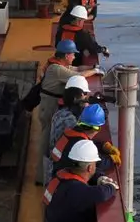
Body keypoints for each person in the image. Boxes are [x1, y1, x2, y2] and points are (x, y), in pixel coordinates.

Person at [35, 40, 99, 184]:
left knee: (47, 139)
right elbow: (79, 76)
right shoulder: (57, 69)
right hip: (49, 106)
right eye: (72, 55)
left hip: (49, 104)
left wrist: (92, 67)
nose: (74, 57)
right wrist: (95, 71)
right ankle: (40, 177)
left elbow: (77, 69)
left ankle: (43, 174)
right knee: (45, 142)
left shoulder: (59, 65)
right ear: (66, 55)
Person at [49, 103, 120, 179]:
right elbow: (98, 163)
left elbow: (84, 142)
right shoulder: (80, 144)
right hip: (65, 180)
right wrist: (112, 159)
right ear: (97, 128)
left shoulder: (71, 132)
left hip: (57, 173)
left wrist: (102, 145)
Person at [47, 75, 92, 174]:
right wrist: (87, 110)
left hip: (54, 163)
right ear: (77, 97)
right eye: (85, 94)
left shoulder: (59, 113)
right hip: (61, 168)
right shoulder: (70, 120)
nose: (86, 96)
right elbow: (84, 136)